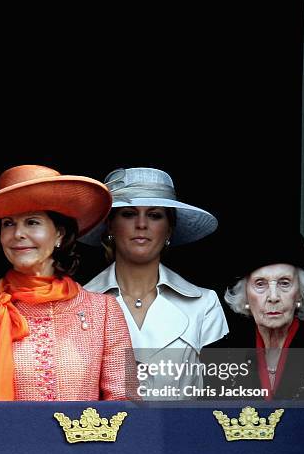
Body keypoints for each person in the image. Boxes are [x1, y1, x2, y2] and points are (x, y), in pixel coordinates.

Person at [0, 164, 135, 401]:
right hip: (1, 438)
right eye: (8, 223)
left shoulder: (104, 311)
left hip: (85, 438)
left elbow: (125, 401)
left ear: (59, 234)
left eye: (32, 222)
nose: (18, 234)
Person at [83, 167, 228, 400]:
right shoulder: (79, 302)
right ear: (110, 225)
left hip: (181, 433)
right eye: (129, 214)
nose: (141, 224)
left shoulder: (204, 303)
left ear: (169, 228)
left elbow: (219, 392)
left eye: (154, 215)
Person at [202, 231, 304, 400]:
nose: (273, 296)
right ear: (245, 295)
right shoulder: (217, 355)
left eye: (284, 283)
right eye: (260, 284)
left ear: (300, 293)